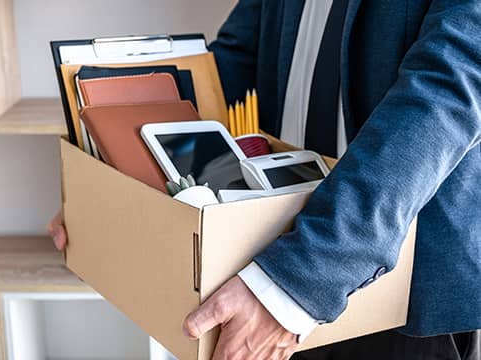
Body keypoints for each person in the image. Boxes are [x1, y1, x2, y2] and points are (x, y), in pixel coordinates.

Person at [49, 0, 481, 358]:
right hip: (269, 249)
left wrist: (294, 287)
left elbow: (446, 90)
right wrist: (113, 190)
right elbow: (235, 60)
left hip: (396, 292)